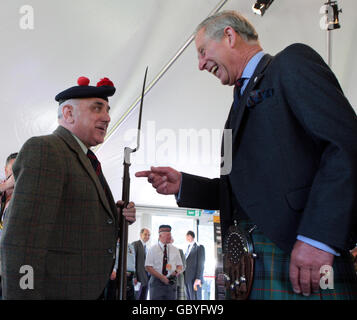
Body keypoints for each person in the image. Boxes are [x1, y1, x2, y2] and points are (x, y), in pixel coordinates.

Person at [136, 10, 357, 300]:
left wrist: (318, 238)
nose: (200, 65)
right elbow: (238, 193)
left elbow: (346, 145)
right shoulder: (235, 108)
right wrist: (183, 185)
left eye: (202, 52)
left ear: (229, 35)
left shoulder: (290, 62)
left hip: (298, 254)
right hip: (250, 267)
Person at [0, 76, 136, 300]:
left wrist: (116, 215)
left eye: (107, 109)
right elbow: (22, 241)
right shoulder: (46, 149)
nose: (107, 117)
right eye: (97, 108)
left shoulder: (84, 158)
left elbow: (74, 220)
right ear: (68, 114)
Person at [145, 225, 183, 300]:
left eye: (170, 234)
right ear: (160, 236)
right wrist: (161, 277)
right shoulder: (152, 249)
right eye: (168, 235)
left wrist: (175, 272)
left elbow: (180, 266)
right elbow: (148, 267)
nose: (170, 237)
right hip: (156, 283)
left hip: (171, 283)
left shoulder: (175, 249)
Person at [0, 153, 18, 299]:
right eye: (13, 172)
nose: (15, 177)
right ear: (6, 171)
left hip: (13, 266)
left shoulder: (24, 196)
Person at [184, 231, 205, 300]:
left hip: (195, 279)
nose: (186, 238)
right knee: (189, 298)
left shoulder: (199, 247)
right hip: (187, 278)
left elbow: (201, 263)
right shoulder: (188, 247)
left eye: (186, 236)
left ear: (190, 236)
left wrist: (198, 278)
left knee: (195, 298)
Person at [132, 228, 151, 300]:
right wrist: (134, 277)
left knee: (144, 298)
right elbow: (132, 262)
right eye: (145, 234)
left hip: (146, 279)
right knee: (136, 298)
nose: (147, 236)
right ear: (140, 235)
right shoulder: (135, 244)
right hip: (138, 279)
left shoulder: (147, 248)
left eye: (149, 235)